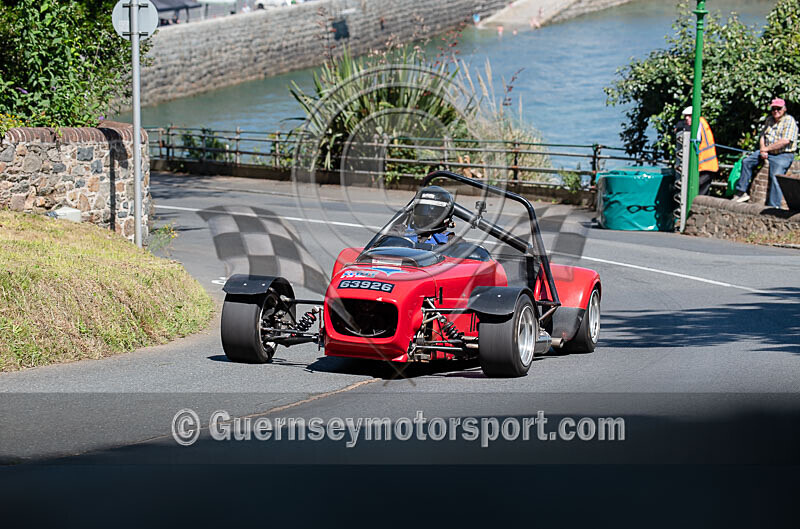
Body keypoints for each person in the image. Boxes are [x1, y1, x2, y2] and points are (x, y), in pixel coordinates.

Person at [733, 98, 798, 207]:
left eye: (778, 108)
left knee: (776, 176)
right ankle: (741, 192)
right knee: (747, 162)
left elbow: (785, 141)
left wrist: (766, 149)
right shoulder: (769, 120)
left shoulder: (789, 121)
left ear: (784, 109)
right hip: (768, 151)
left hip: (783, 155)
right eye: (773, 109)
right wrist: (763, 148)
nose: (776, 111)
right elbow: (762, 136)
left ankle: (773, 206)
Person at [677, 106, 719, 195]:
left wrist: (679, 127)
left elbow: (689, 131)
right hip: (705, 166)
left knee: (695, 190)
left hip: (706, 166)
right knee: (702, 192)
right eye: (685, 116)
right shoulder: (701, 123)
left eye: (689, 116)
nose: (687, 118)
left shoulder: (699, 123)